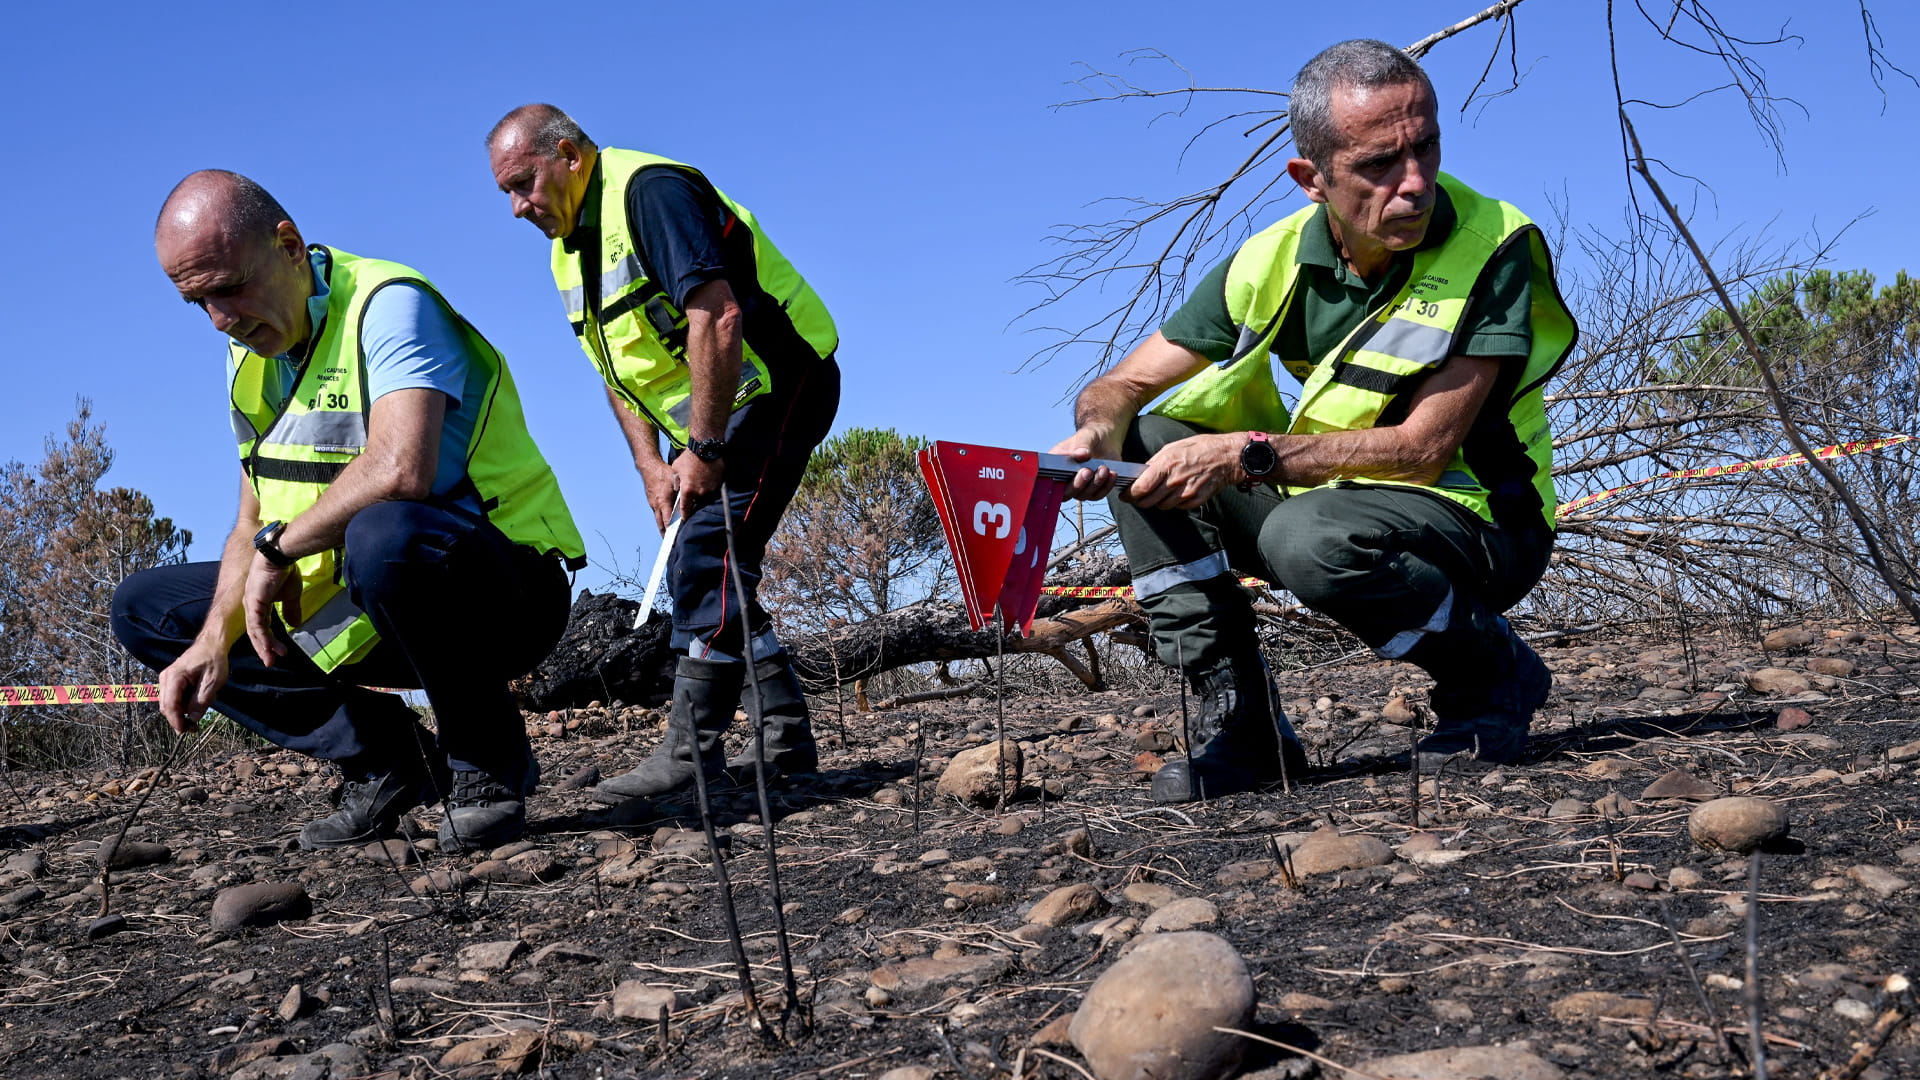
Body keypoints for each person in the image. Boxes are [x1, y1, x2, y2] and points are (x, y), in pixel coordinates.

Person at [1053, 40, 1579, 803]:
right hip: (1337, 496)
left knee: (1308, 538)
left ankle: (1490, 677)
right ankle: (1244, 729)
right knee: (1142, 441)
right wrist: (1094, 434)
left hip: (1483, 520)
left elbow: (1424, 448)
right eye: (1378, 165)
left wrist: (1248, 456)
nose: (1415, 184)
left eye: (1426, 147)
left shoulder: (1490, 244)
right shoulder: (1271, 259)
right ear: (1311, 179)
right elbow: (1123, 382)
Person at [111, 171, 587, 850]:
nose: (221, 319)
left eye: (230, 288)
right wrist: (213, 640)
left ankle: (486, 761)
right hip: (373, 605)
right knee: (146, 608)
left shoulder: (389, 304)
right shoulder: (247, 354)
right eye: (199, 302)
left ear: (289, 246)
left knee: (386, 532)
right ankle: (388, 759)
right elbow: (253, 519)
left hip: (502, 592)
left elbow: (402, 467)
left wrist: (280, 553)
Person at [485, 105, 840, 805]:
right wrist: (653, 466)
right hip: (714, 417)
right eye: (507, 194)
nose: (519, 208)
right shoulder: (569, 250)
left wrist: (703, 448)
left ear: (569, 154)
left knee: (708, 553)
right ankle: (784, 735)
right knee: (701, 560)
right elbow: (618, 370)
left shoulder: (650, 193)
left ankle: (691, 752)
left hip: (778, 385)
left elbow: (720, 314)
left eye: (524, 183)